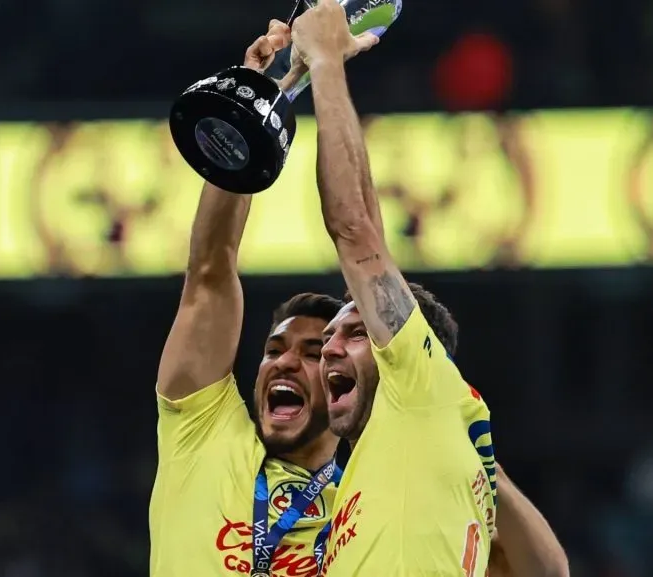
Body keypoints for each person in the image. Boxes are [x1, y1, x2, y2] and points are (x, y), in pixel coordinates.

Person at [150, 20, 378, 577]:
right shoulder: (202, 435)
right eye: (277, 348)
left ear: (346, 383)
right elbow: (209, 274)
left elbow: (365, 245)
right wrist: (253, 105)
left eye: (314, 352)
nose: (285, 361)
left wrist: (328, 68)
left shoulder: (378, 493)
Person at [290, 3, 497, 574]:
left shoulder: (424, 387)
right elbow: (372, 242)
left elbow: (354, 233)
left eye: (355, 333)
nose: (327, 348)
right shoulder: (411, 443)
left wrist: (327, 62)